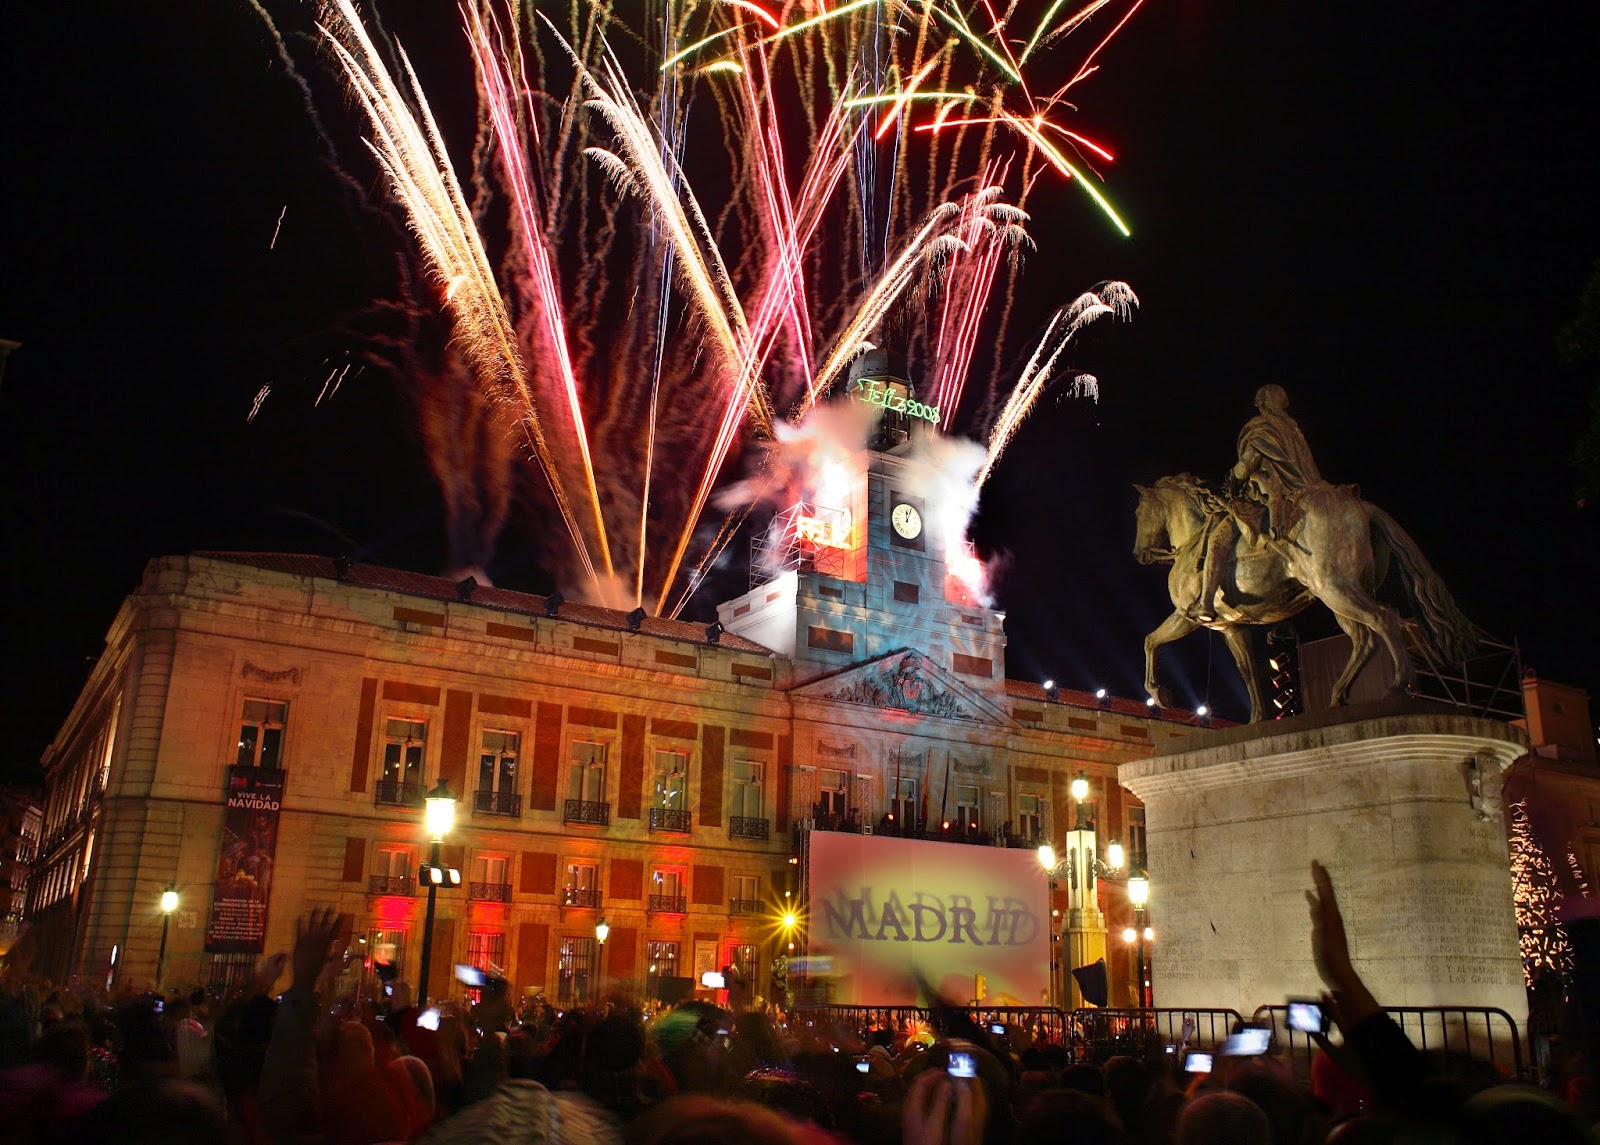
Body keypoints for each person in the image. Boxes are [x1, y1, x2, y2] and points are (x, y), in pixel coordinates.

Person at [1190, 386, 1323, 622]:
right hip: (1304, 491)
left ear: (1262, 404)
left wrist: (1232, 482)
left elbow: (1248, 463)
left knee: (1217, 541)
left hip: (1269, 497)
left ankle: (1206, 603)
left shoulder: (1263, 428)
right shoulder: (1293, 429)